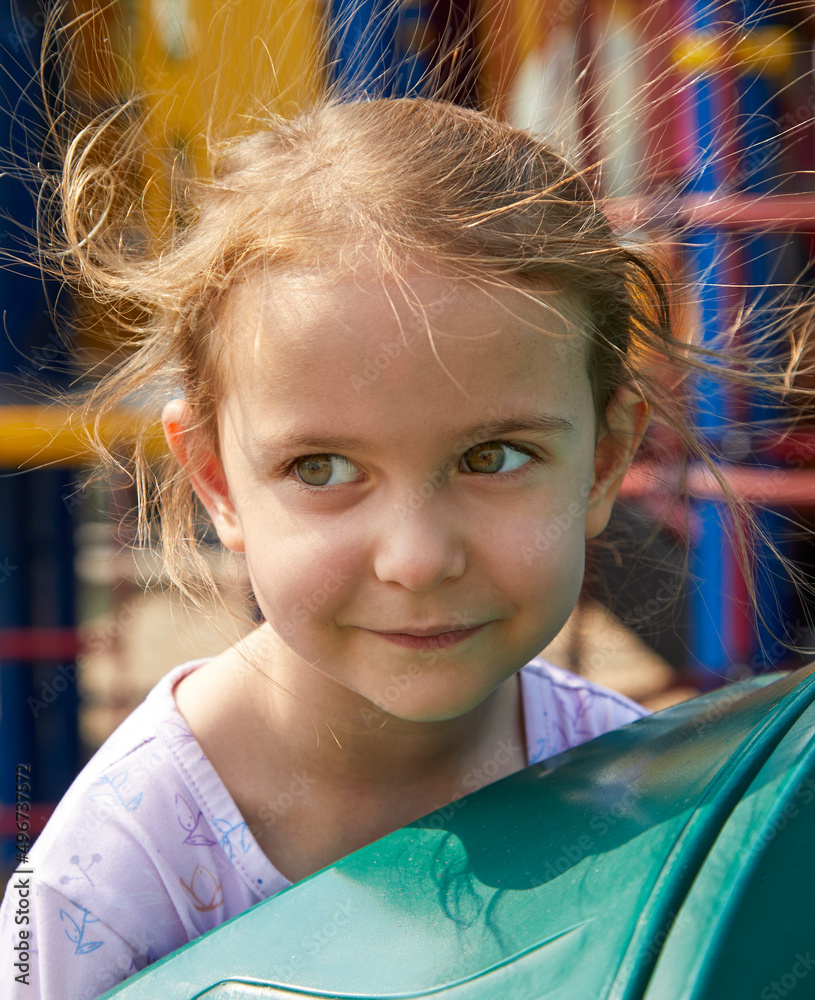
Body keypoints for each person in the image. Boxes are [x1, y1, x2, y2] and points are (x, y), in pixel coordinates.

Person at [0, 94, 803, 999]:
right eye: (321, 467)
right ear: (217, 481)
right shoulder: (105, 884)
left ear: (604, 458)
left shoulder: (635, 794)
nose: (417, 559)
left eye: (492, 457)